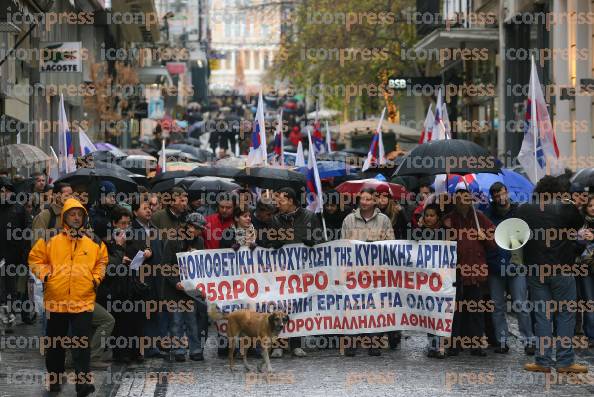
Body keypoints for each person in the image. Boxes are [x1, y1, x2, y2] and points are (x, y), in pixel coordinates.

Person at [28, 198, 108, 396]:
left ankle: (82, 383)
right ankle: (54, 378)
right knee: (56, 344)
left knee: (82, 345)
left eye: (79, 214)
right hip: (56, 300)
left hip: (83, 300)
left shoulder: (93, 240)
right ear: (64, 216)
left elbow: (102, 261)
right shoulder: (51, 238)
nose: (76, 217)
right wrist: (47, 275)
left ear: (84, 217)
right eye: (72, 214)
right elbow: (35, 259)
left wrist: (95, 279)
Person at [517, 176, 588, 373]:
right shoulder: (565, 208)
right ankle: (565, 361)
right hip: (562, 269)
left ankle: (543, 361)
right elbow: (579, 225)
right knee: (566, 314)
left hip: (536, 269)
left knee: (541, 315)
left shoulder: (524, 209)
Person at [340, 188, 395, 357]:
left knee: (375, 306)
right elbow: (343, 243)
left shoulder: (384, 220)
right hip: (355, 271)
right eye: (362, 199)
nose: (364, 202)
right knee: (353, 306)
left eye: (368, 199)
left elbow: (391, 242)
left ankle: (374, 342)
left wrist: (376, 246)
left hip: (376, 271)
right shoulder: (349, 219)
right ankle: (351, 342)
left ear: (374, 201)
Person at [442, 187, 496, 358]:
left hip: (475, 270)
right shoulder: (449, 220)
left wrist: (485, 238)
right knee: (455, 310)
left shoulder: (480, 218)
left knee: (475, 309)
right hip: (455, 271)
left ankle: (475, 344)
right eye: (459, 198)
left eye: (465, 197)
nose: (462, 201)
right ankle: (454, 344)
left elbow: (494, 242)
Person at [270, 187, 322, 358]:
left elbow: (322, 241)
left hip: (303, 271)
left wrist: (312, 242)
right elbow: (268, 242)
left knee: (298, 306)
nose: (278, 203)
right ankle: (278, 343)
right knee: (279, 306)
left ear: (291, 201)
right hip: (282, 271)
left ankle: (296, 344)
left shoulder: (310, 217)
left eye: (281, 200)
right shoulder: (275, 219)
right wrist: (273, 244)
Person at [484, 182, 534, 355]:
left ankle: (529, 340)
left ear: (507, 193)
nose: (500, 198)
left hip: (516, 265)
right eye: (497, 196)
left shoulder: (519, 212)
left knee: (520, 304)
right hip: (496, 266)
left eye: (502, 194)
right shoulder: (487, 215)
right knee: (498, 307)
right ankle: (502, 341)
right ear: (493, 197)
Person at [98, 206, 148, 364]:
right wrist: (121, 256)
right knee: (120, 322)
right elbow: (108, 264)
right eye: (122, 223)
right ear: (114, 223)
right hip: (116, 287)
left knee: (135, 320)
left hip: (131, 284)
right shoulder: (107, 241)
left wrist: (146, 252)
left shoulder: (132, 237)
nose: (125, 226)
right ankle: (121, 353)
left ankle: (136, 351)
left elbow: (141, 251)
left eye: (127, 223)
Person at [161, 213, 207, 362]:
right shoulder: (173, 241)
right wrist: (176, 282)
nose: (199, 232)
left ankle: (195, 350)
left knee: (192, 321)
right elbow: (165, 266)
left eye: (200, 229)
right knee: (176, 322)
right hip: (175, 290)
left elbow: (202, 265)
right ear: (189, 226)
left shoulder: (199, 241)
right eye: (197, 228)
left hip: (190, 290)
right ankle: (178, 350)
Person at [127, 197, 166, 358]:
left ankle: (154, 344)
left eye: (150, 207)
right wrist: (143, 255)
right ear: (135, 212)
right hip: (141, 279)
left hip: (156, 277)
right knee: (144, 315)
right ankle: (146, 348)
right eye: (144, 208)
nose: (149, 210)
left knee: (155, 311)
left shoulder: (154, 229)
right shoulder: (131, 231)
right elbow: (129, 259)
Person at [413, 204, 448, 358]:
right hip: (426, 280)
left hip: (443, 279)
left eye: (432, 215)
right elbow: (412, 245)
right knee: (429, 312)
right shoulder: (420, 231)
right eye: (426, 215)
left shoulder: (445, 232)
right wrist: (418, 228)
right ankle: (432, 344)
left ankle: (441, 346)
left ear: (438, 217)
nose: (429, 218)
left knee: (441, 312)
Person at [0, 177, 31, 324]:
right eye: (2, 191)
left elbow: (27, 232)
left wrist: (25, 255)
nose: (4, 193)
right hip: (2, 258)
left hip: (17, 257)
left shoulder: (19, 209)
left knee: (19, 289)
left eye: (7, 191)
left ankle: (25, 315)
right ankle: (8, 318)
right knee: (5, 291)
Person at [577, 195, 594, 348]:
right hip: (586, 267)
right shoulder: (580, 222)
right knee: (589, 301)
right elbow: (575, 244)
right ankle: (591, 335)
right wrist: (581, 237)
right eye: (590, 205)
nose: (593, 208)